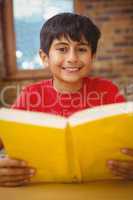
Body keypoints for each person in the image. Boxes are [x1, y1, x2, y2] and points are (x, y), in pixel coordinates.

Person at [0, 12, 133, 187]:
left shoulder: (108, 91)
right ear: (44, 57)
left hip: (103, 188)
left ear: (92, 57)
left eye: (82, 49)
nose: (72, 58)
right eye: (62, 49)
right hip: (43, 191)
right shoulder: (29, 96)